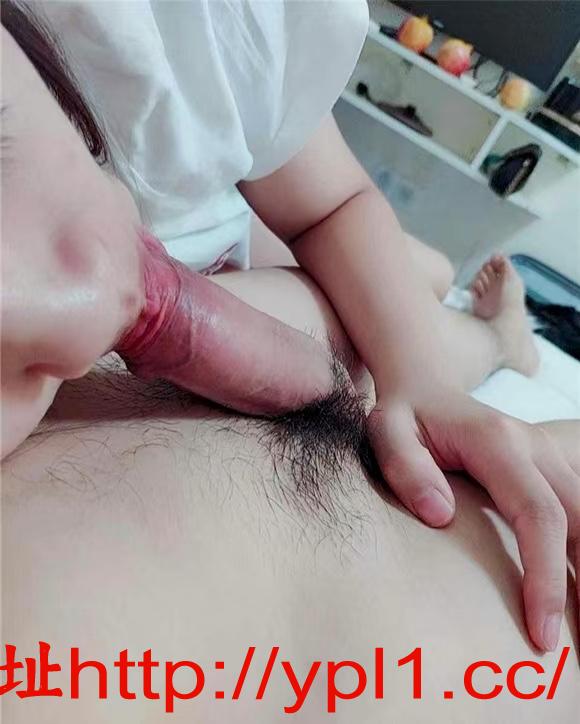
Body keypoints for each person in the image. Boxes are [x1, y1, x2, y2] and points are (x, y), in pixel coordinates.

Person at [1, 0, 578, 662]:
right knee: (384, 299)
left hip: (220, 222)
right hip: (216, 242)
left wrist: (423, 379)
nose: (79, 322)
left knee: (402, 313)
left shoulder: (186, 26)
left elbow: (332, 203)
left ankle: (498, 337)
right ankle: (471, 311)